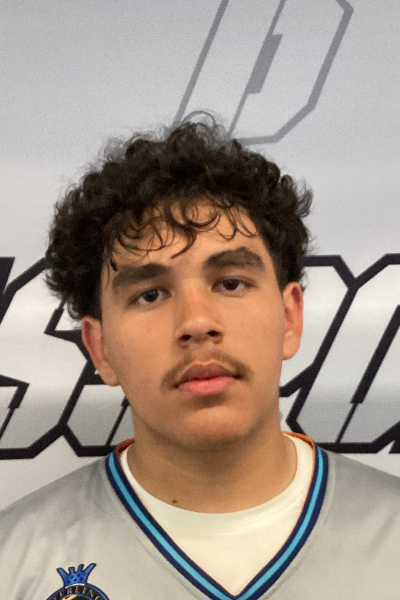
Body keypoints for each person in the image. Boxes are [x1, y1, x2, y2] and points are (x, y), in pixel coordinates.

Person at [0, 115, 399, 600]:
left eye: (230, 283)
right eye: (150, 294)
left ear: (290, 317)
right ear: (100, 348)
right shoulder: (13, 562)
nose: (196, 321)